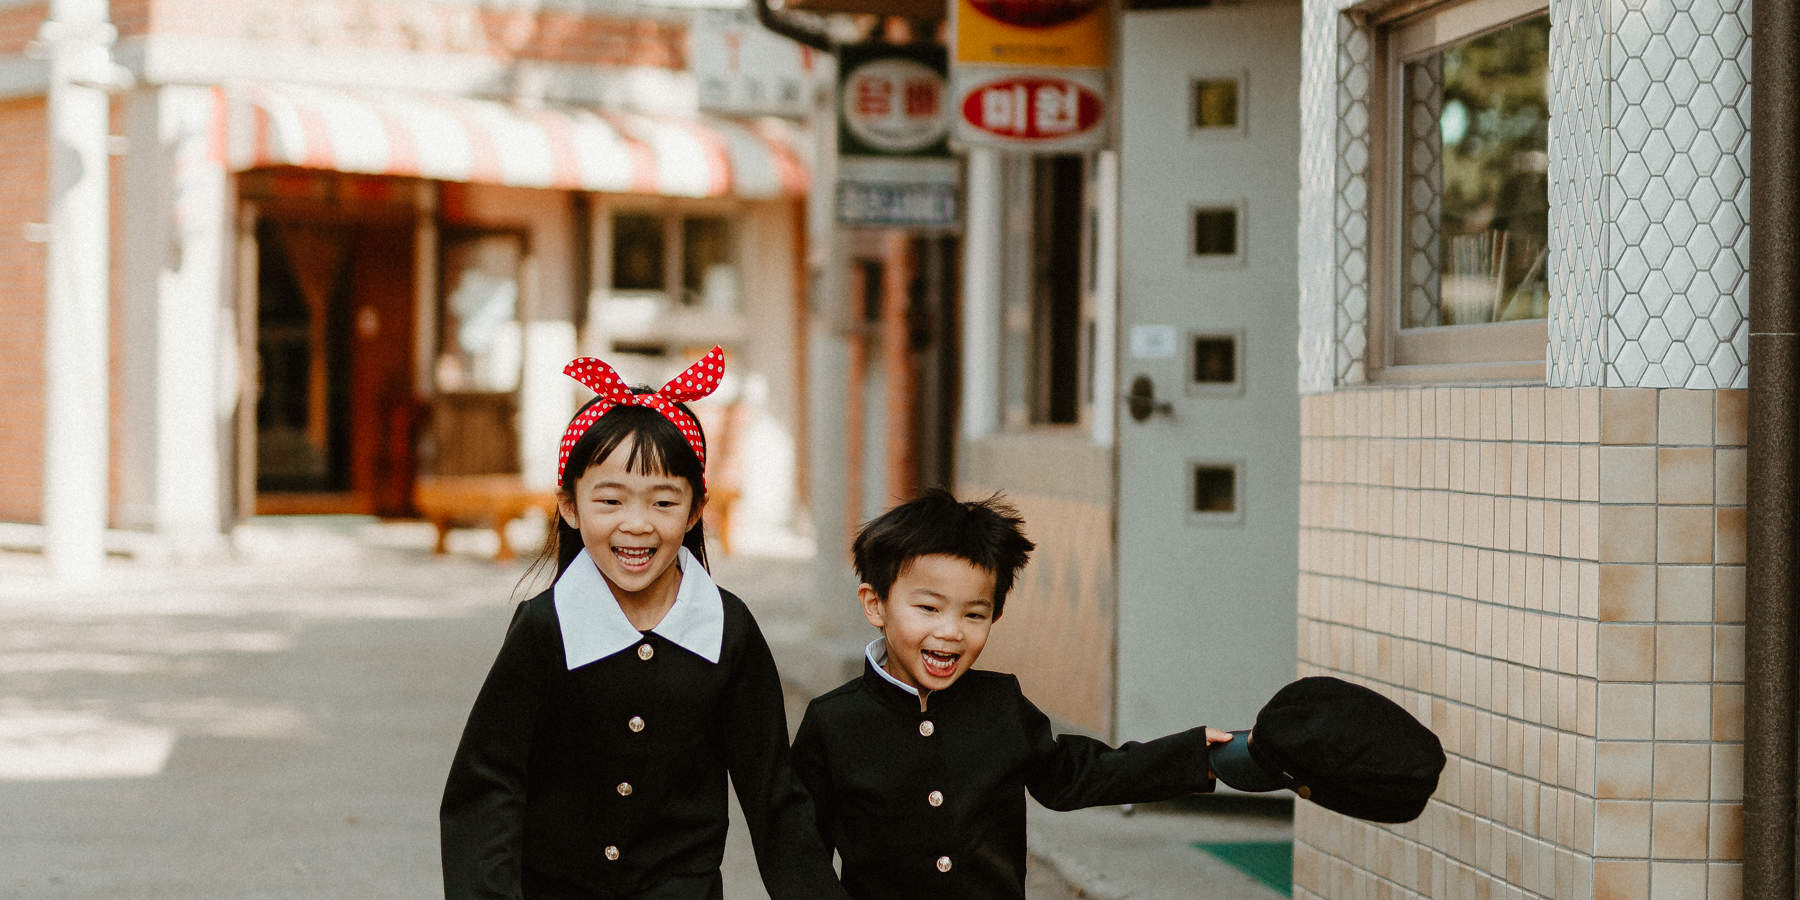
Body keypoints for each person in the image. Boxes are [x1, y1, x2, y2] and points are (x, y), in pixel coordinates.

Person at [440, 347, 845, 899]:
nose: (636, 525)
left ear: (697, 509)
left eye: (662, 502)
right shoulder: (545, 627)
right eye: (610, 500)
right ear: (570, 508)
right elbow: (488, 785)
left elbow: (775, 797)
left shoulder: (727, 629)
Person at [790, 489, 1233, 898]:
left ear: (995, 617)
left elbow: (1078, 775)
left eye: (974, 614)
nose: (950, 632)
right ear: (875, 604)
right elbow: (800, 852)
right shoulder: (834, 722)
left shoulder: (1000, 705)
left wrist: (1193, 756)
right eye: (928, 608)